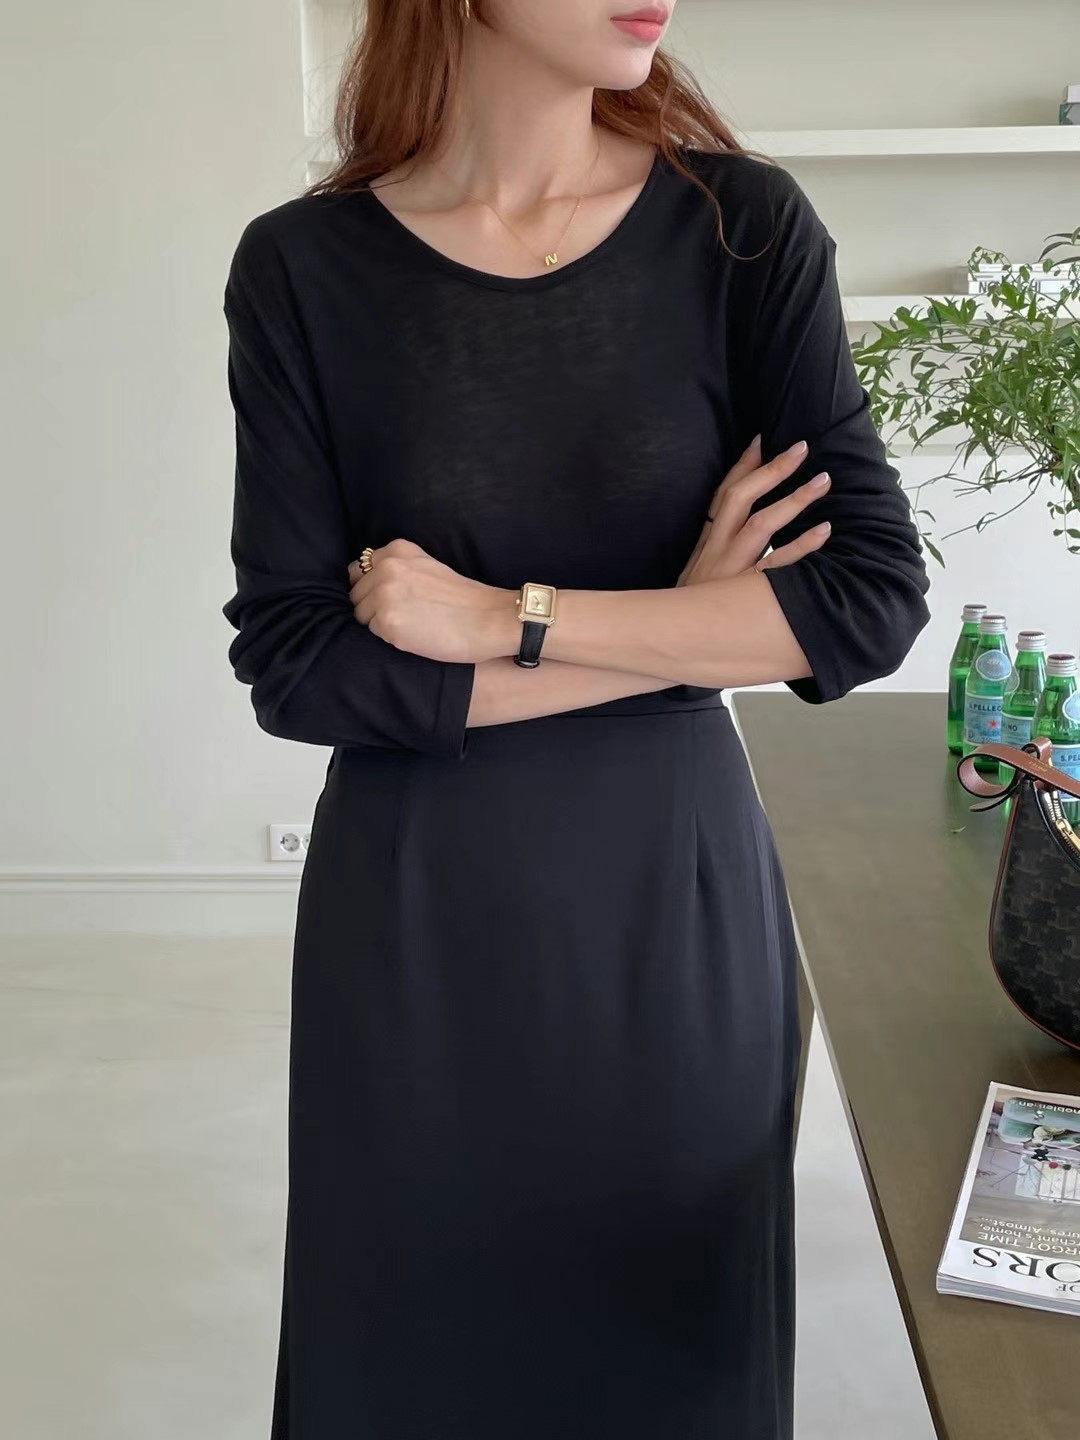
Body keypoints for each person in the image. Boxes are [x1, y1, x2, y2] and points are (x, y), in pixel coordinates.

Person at [220, 1, 931, 1435]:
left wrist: (510, 619)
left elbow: (861, 601)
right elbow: (299, 665)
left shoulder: (742, 232)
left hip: (670, 898)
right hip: (419, 910)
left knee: (673, 1360)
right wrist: (684, 624)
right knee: (413, 1365)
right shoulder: (302, 266)